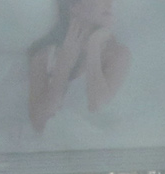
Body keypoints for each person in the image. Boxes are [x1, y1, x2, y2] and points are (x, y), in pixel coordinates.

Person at [27, 0, 131, 133]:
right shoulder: (43, 58)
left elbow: (97, 106)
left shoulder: (118, 55)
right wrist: (64, 65)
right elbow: (39, 124)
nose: (109, 3)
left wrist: (94, 47)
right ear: (74, 6)